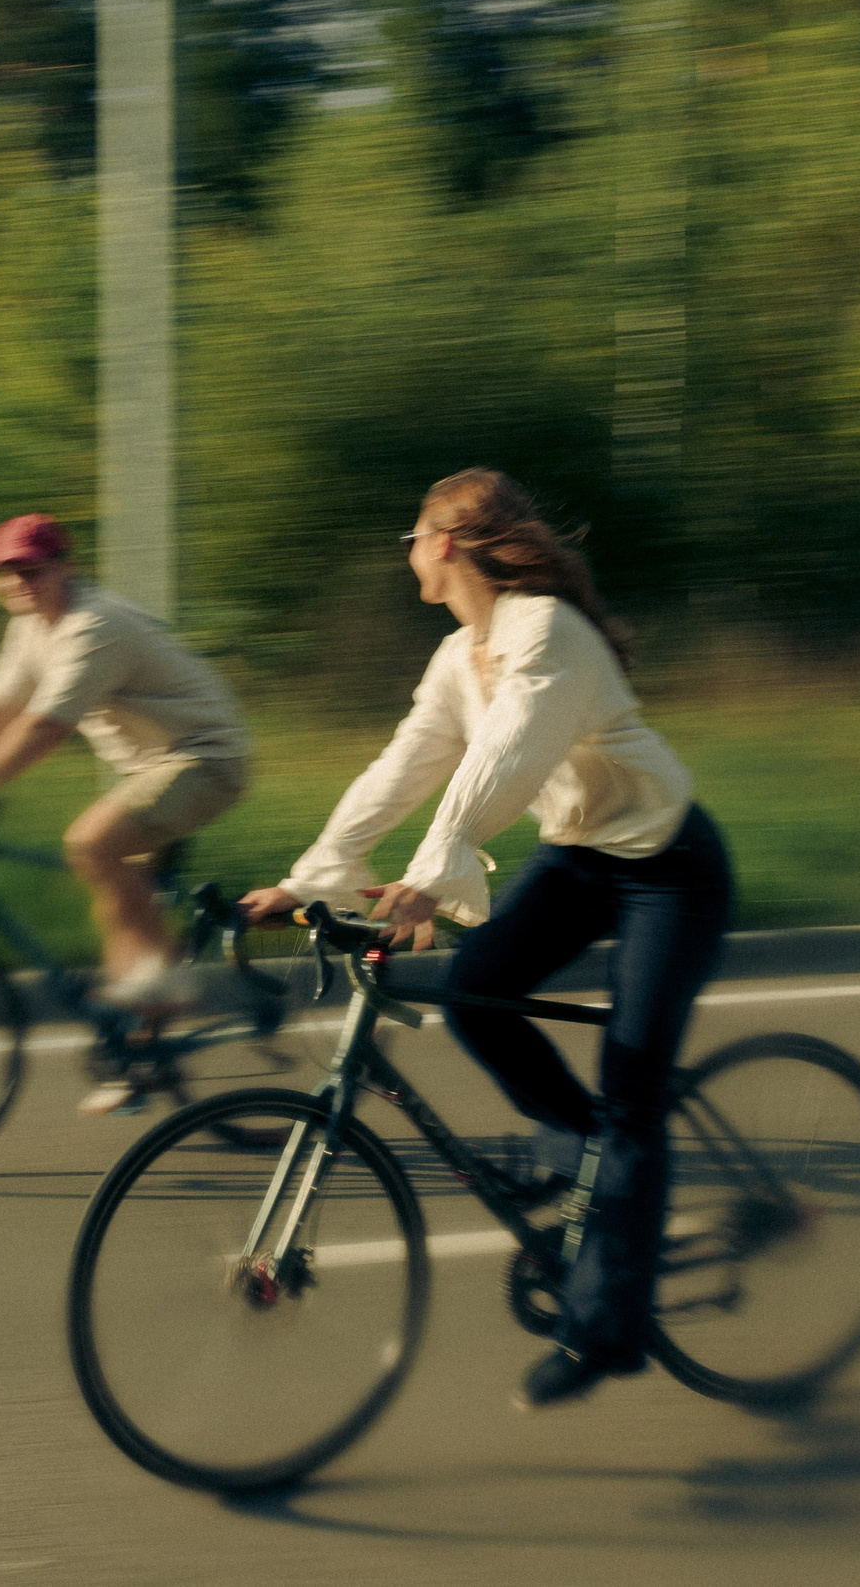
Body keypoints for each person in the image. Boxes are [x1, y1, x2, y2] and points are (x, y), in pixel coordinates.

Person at [238, 468, 732, 1413]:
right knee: (479, 994)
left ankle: (602, 1332)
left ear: (445, 544)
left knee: (631, 1088)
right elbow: (403, 765)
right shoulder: (457, 657)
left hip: (669, 867)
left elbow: (510, 751)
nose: (409, 556)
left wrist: (433, 870)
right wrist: (310, 878)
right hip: (584, 857)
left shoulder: (547, 631)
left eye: (412, 539)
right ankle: (588, 1161)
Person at [0, 513, 254, 1113]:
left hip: (206, 758)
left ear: (65, 568)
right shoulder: (30, 627)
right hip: (152, 768)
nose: (18, 582)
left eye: (31, 569)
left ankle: (168, 983)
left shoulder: (92, 625)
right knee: (115, 900)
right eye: (5, 572)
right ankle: (139, 1059)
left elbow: (44, 728)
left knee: (91, 844)